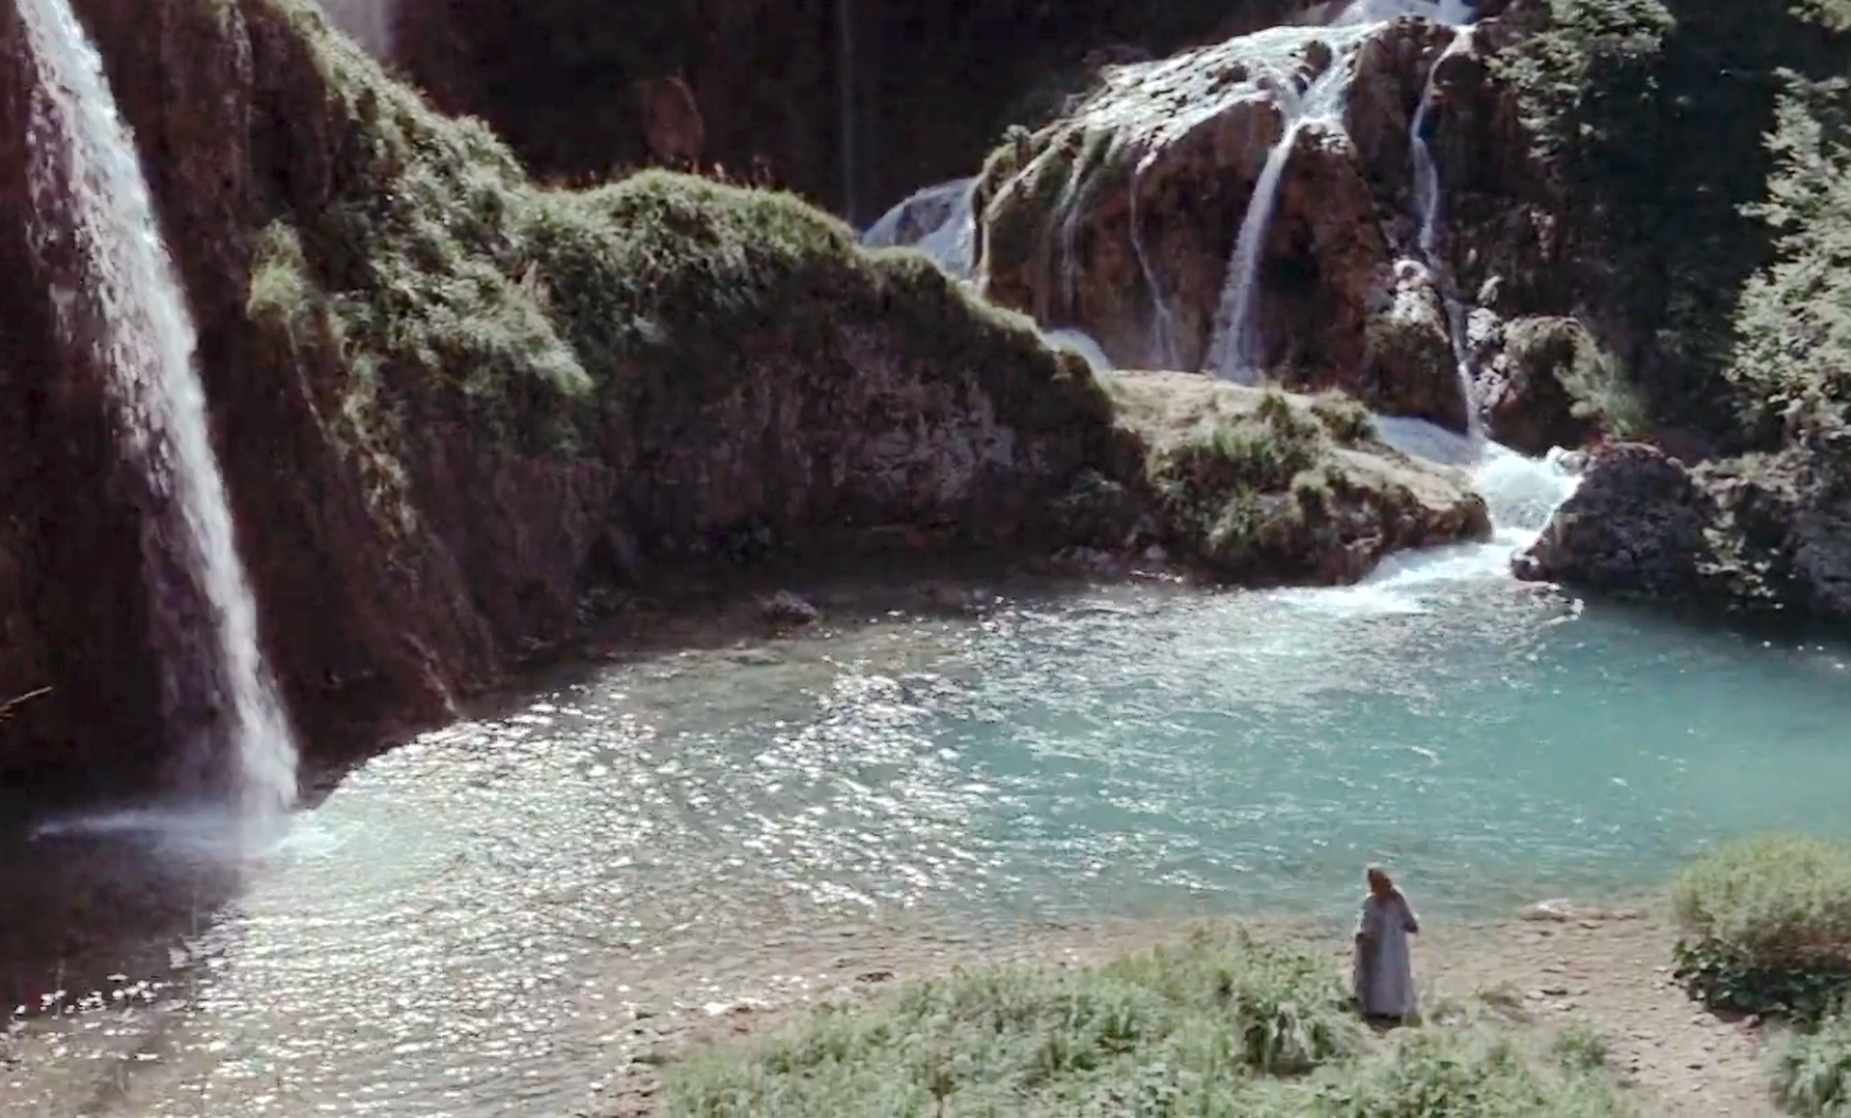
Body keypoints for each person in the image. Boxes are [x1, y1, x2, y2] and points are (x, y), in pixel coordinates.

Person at [1353, 864, 1419, 1022]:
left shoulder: (1397, 898)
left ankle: (1397, 1010)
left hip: (1394, 946)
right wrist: (1362, 936)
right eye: (1372, 883)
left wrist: (1410, 926)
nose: (1375, 886)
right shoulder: (1370, 901)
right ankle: (1374, 1010)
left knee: (1394, 976)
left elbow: (1410, 922)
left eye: (1378, 882)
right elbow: (1365, 923)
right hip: (1375, 945)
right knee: (1375, 977)